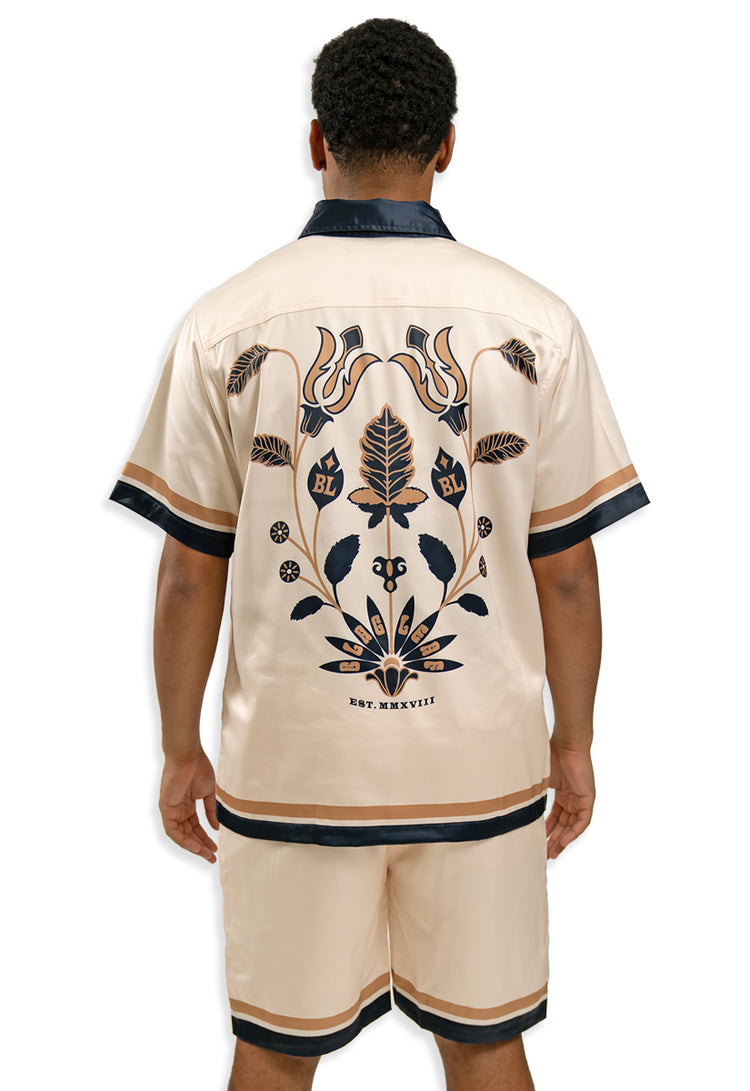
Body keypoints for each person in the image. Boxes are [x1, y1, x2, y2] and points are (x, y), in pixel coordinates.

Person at [109, 17, 648, 1091]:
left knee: (273, 1050)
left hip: (294, 770)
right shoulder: (535, 324)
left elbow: (187, 569)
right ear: (447, 145)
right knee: (487, 1041)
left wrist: (178, 747)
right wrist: (575, 740)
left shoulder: (226, 324)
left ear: (317, 139)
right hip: (480, 763)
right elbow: (567, 568)